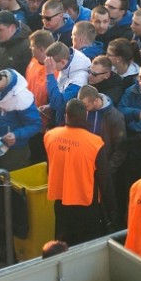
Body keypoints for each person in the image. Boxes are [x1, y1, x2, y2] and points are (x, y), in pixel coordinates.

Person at [45, 99, 110, 245]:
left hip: (60, 200)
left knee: (63, 243)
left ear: (66, 116)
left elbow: (50, 165)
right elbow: (104, 178)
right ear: (86, 115)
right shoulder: (95, 142)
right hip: (86, 202)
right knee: (88, 244)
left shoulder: (50, 136)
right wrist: (111, 209)